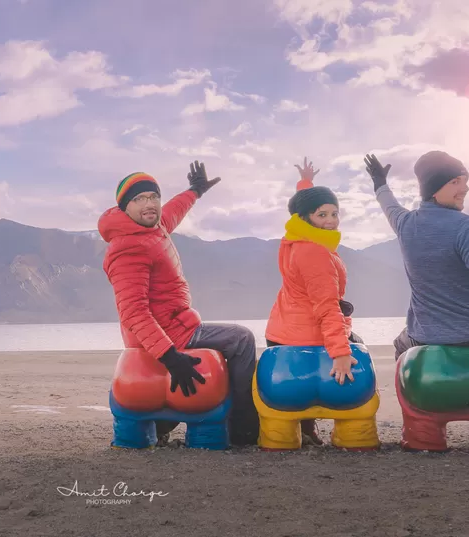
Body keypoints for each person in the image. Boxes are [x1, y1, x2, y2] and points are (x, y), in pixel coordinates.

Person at [98, 161, 260, 447]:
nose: (150, 204)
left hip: (174, 323)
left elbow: (173, 212)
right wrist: (170, 358)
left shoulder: (151, 228)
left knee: (234, 340)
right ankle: (244, 427)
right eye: (139, 199)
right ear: (125, 207)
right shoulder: (127, 248)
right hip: (170, 332)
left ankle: (162, 422)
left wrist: (195, 191)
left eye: (154, 197)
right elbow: (133, 313)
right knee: (241, 339)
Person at [365, 151, 469, 436]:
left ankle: (416, 422)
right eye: (455, 181)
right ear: (433, 188)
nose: (465, 188)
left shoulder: (405, 224)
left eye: (465, 181)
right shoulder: (463, 226)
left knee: (401, 345)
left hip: (425, 338)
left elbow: (388, 205)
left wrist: (379, 182)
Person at [264, 158, 364, 446]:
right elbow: (326, 306)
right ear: (306, 218)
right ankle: (347, 428)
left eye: (335, 213)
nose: (331, 221)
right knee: (355, 355)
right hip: (308, 337)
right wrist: (341, 353)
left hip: (281, 332)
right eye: (322, 215)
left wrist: (305, 184)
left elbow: (299, 206)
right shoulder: (315, 253)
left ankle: (305, 428)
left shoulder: (295, 237)